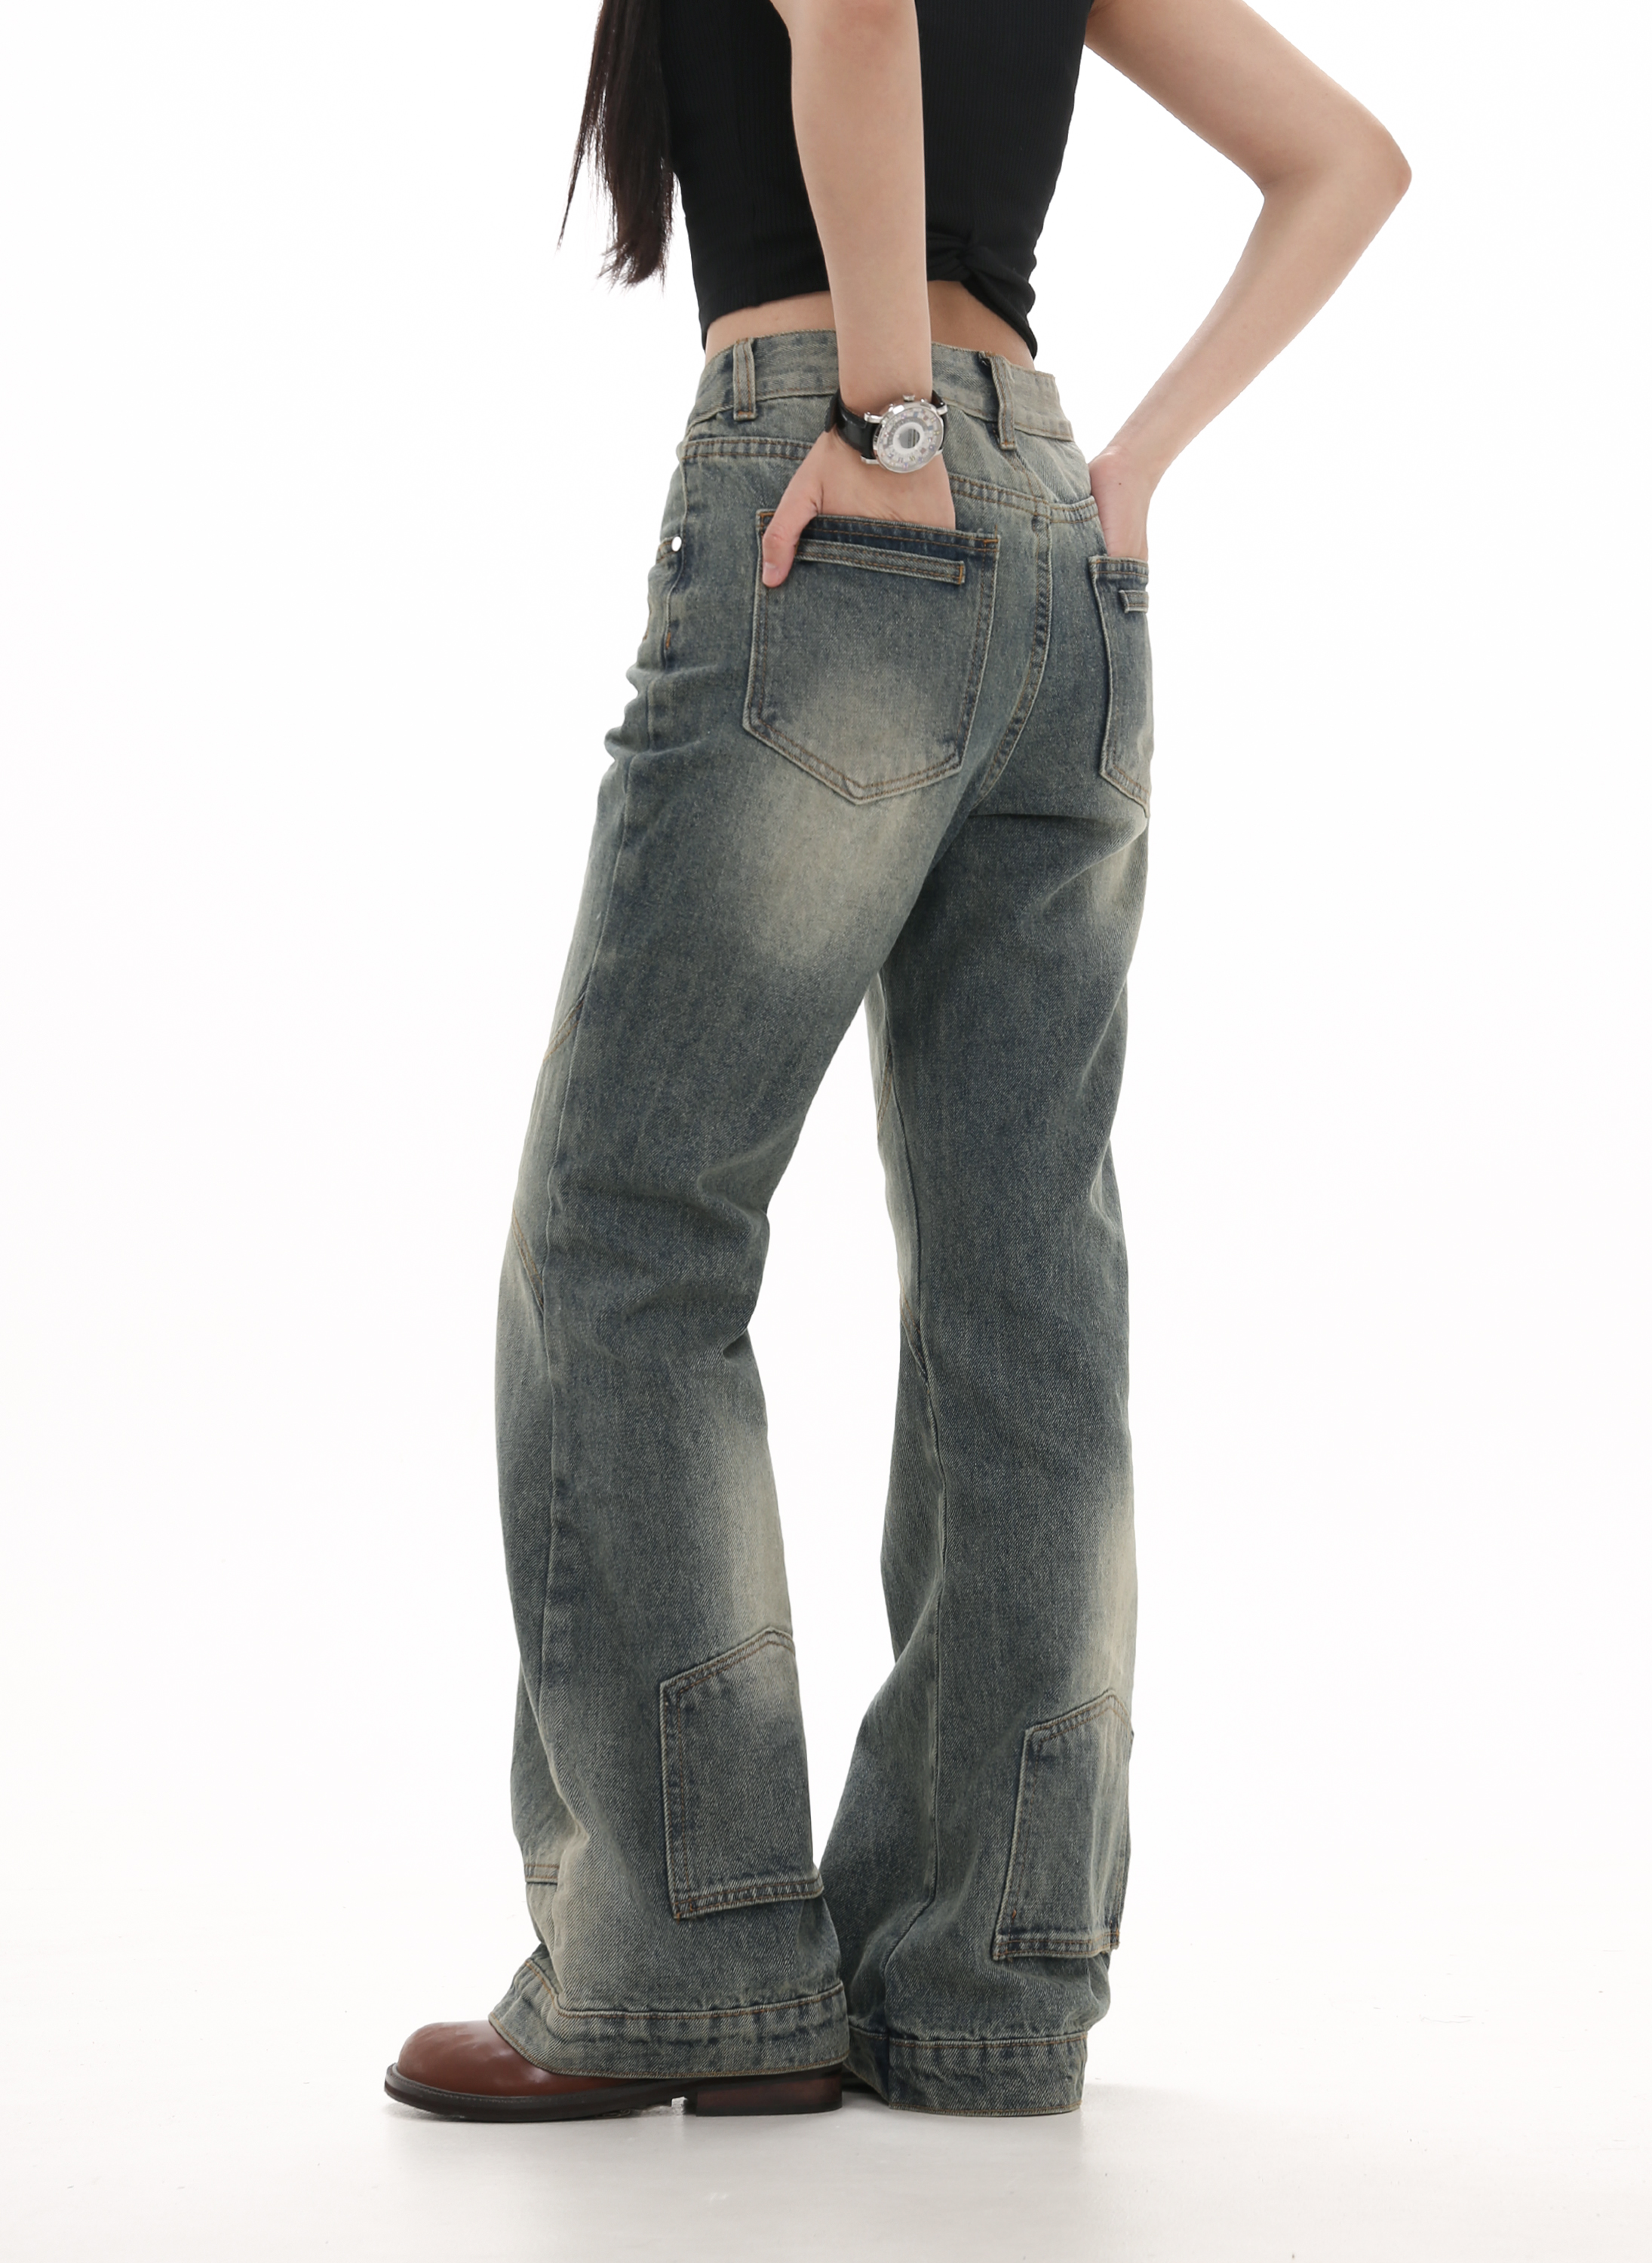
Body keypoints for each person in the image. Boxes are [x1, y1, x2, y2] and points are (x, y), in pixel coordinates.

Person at [384, 0, 1408, 2123]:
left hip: (854, 476)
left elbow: (852, 14)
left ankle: (688, 1967)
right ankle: (988, 1979)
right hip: (1061, 544)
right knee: (1024, 1276)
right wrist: (1119, 468)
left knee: (631, 1234)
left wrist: (884, 417)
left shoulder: (866, 422)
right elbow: (1344, 160)